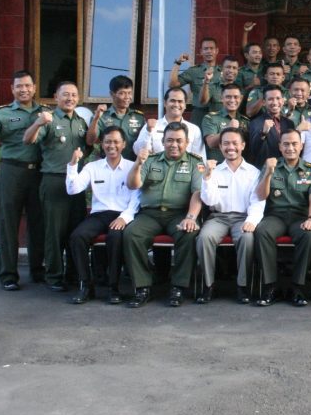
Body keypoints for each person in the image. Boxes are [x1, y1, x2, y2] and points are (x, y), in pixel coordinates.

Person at [0, 70, 45, 291]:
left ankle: (37, 270)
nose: (24, 90)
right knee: (8, 224)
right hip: (12, 172)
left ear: (34, 88)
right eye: (19, 86)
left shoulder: (45, 112)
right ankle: (8, 275)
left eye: (27, 86)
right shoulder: (3, 114)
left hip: (38, 173)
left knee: (38, 224)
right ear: (12, 89)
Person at [122, 123, 204, 308]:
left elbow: (197, 194)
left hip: (179, 214)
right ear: (163, 141)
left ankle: (178, 287)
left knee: (188, 233)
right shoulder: (150, 160)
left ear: (187, 142)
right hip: (149, 215)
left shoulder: (195, 163)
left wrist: (191, 218)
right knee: (131, 234)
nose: (174, 144)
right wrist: (137, 164)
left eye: (179, 141)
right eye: (170, 140)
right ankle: (143, 287)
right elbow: (133, 185)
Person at [23, 81, 88, 292]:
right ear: (56, 97)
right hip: (54, 181)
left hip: (76, 182)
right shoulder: (48, 119)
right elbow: (28, 139)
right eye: (65, 94)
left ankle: (73, 274)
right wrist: (38, 123)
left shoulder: (80, 121)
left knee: (75, 229)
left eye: (74, 95)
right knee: (54, 231)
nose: (70, 98)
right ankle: (54, 275)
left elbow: (90, 144)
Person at [65, 126, 138, 305]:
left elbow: (137, 197)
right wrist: (73, 165)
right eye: (107, 142)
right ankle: (85, 285)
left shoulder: (132, 167)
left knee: (115, 237)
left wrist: (125, 217)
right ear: (101, 144)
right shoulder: (92, 167)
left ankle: (113, 287)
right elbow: (73, 188)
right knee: (77, 237)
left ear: (123, 145)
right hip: (99, 215)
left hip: (122, 215)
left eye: (115, 142)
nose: (111, 145)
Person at [196, 128, 265, 304]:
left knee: (247, 238)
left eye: (235, 143)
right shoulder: (215, 170)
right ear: (220, 146)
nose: (231, 147)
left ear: (243, 145)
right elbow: (209, 200)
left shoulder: (253, 172)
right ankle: (208, 284)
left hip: (243, 217)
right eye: (226, 143)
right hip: (218, 217)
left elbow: (258, 201)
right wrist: (207, 178)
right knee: (204, 238)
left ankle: (242, 286)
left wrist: (251, 221)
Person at [253, 130, 311, 307]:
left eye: (294, 144)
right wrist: (268, 173)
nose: (290, 148)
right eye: (286, 144)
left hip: (301, 216)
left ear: (301, 146)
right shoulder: (270, 166)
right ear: (279, 147)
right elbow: (261, 196)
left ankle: (297, 287)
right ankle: (271, 286)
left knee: (310, 234)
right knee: (262, 231)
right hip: (276, 215)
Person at [86, 75, 145, 161]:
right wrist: (96, 119)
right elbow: (90, 141)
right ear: (112, 94)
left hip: (132, 166)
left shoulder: (139, 117)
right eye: (122, 93)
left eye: (129, 93)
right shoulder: (101, 116)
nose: (127, 97)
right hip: (109, 167)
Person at [133, 87, 204, 159]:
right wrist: (148, 132)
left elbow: (199, 158)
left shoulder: (194, 130)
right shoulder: (151, 126)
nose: (176, 104)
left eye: (180, 101)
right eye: (172, 101)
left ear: (185, 105)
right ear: (165, 103)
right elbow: (138, 151)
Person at [170, 37, 220, 125]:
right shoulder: (194, 71)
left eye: (211, 48)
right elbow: (173, 85)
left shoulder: (224, 71)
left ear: (216, 51)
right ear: (201, 51)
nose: (209, 51)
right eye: (206, 49)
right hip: (199, 114)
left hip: (219, 114)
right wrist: (178, 63)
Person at [246, 85, 296, 165]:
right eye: (270, 99)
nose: (275, 102)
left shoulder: (289, 123)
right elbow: (254, 150)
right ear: (264, 102)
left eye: (278, 98)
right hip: (266, 170)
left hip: (285, 169)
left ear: (283, 101)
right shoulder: (256, 123)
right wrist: (263, 133)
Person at [201, 83, 250, 163]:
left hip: (240, 169)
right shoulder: (211, 118)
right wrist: (228, 128)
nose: (232, 100)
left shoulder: (245, 121)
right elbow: (211, 143)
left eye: (236, 97)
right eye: (228, 97)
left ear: (241, 98)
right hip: (217, 167)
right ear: (221, 98)